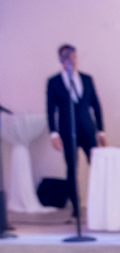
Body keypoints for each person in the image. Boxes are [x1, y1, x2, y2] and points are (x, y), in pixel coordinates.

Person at [47, 44, 106, 219]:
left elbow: (96, 105)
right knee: (72, 169)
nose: (72, 61)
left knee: (96, 165)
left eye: (74, 57)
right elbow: (50, 109)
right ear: (61, 60)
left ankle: (101, 203)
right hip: (67, 131)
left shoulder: (87, 79)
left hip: (88, 129)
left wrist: (101, 131)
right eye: (68, 58)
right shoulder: (54, 82)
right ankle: (76, 207)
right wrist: (54, 134)